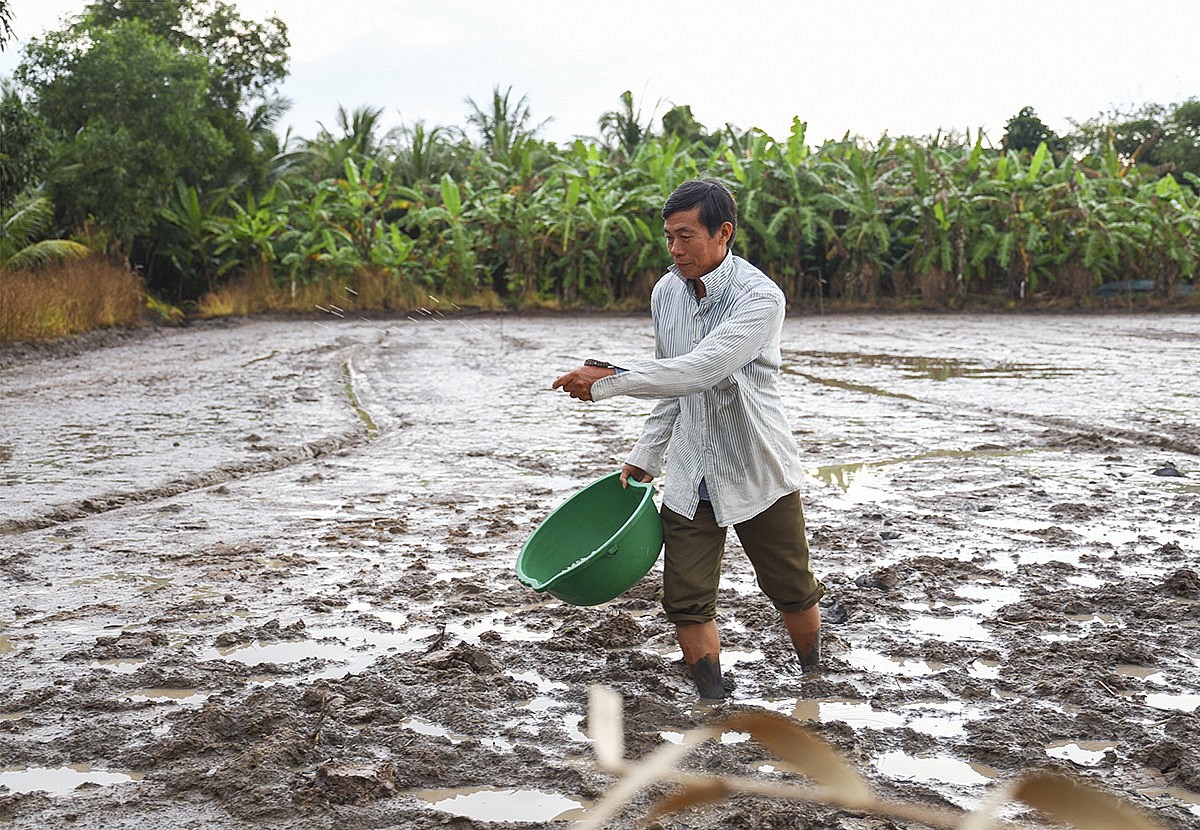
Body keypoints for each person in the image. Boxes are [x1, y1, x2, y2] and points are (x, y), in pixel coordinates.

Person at [552, 178, 826, 699]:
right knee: (686, 598)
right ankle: (712, 699)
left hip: (755, 468)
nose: (675, 250)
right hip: (689, 472)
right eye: (669, 238)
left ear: (723, 233)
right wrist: (646, 454)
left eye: (686, 236)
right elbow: (671, 381)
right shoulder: (666, 292)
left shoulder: (760, 298)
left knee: (790, 588)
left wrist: (608, 380)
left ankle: (813, 674)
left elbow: (702, 370)